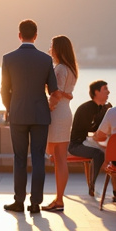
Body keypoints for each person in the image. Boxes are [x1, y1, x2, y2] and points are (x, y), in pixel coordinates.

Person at [1, 19, 58, 214]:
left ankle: (18, 201)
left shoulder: (8, 58)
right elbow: (54, 90)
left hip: (17, 113)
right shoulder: (45, 59)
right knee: (38, 158)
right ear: (36, 36)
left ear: (19, 35)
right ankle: (35, 203)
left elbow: (3, 90)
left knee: (19, 158)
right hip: (40, 115)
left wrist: (11, 106)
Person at [44, 35, 77, 212]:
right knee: (61, 158)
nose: (50, 49)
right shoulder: (71, 69)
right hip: (66, 112)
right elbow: (65, 93)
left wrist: (47, 107)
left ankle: (58, 199)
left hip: (57, 114)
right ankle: (59, 198)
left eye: (52, 46)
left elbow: (55, 95)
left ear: (58, 49)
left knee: (57, 158)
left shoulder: (60, 69)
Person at [68, 80, 112, 197]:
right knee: (99, 154)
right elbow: (90, 130)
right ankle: (92, 186)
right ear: (96, 92)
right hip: (77, 145)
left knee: (112, 151)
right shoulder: (86, 108)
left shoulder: (103, 108)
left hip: (91, 142)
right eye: (105, 89)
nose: (108, 92)